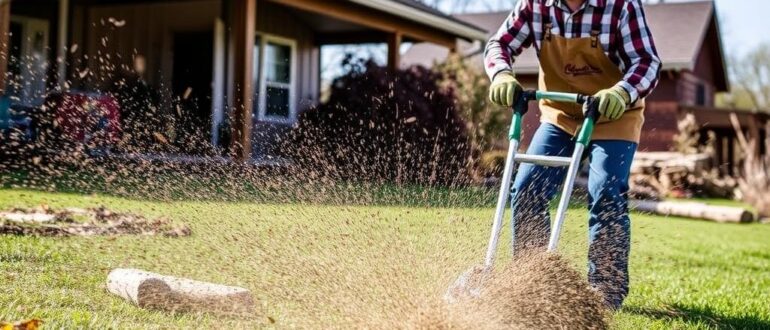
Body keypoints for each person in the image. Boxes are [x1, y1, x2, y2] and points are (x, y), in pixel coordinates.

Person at [485, 0, 661, 309]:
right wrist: (500, 73)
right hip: (560, 115)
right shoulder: (535, 5)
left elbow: (647, 62)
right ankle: (532, 283)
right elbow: (499, 43)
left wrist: (622, 91)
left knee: (606, 190)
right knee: (527, 189)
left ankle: (605, 293)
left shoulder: (621, 6)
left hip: (614, 115)